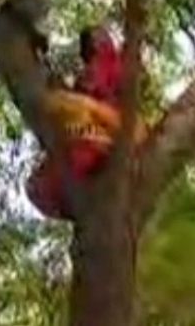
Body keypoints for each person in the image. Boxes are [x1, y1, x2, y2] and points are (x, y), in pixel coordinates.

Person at [26, 26, 130, 220]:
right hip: (90, 139)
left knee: (60, 104)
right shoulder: (91, 72)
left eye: (102, 34)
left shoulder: (115, 63)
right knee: (35, 187)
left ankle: (99, 144)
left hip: (112, 128)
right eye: (95, 38)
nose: (101, 37)